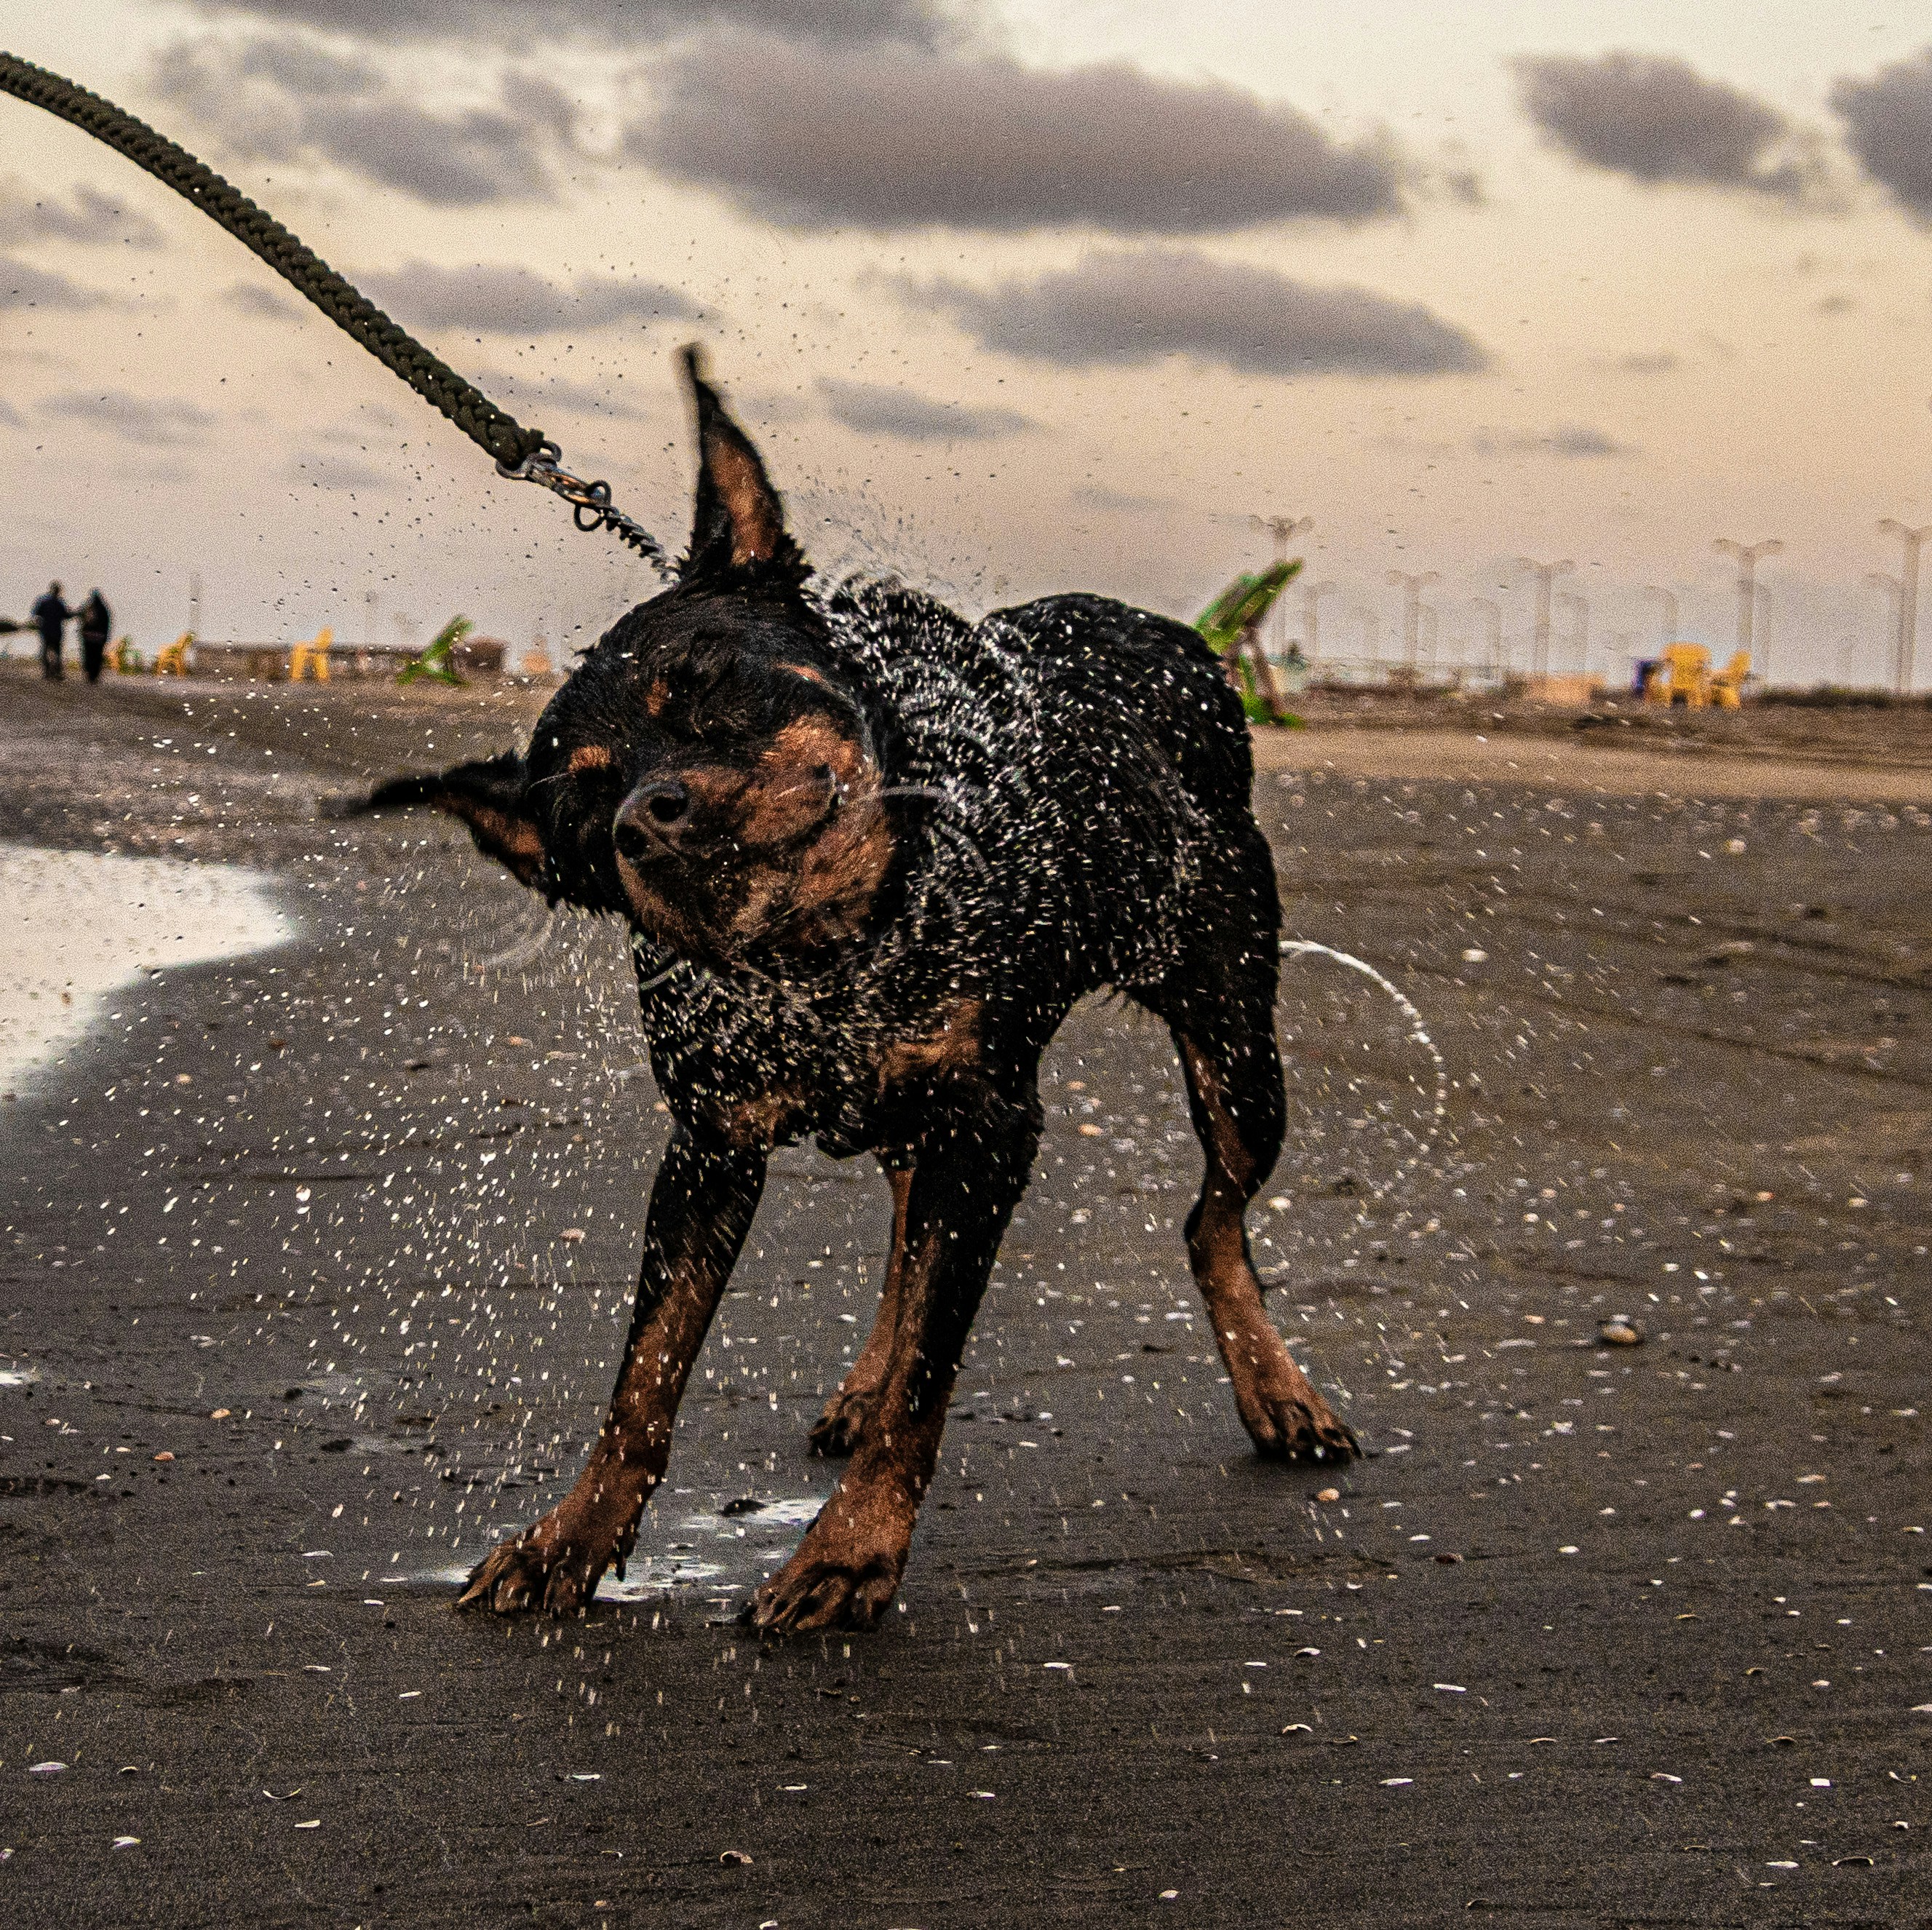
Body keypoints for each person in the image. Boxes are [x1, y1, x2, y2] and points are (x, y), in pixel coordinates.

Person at [31, 581, 71, 680]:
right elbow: (66, 616)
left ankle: (48, 672)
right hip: (57, 632)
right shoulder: (60, 604)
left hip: (46, 631)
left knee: (45, 652)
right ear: (58, 592)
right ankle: (56, 672)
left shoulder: (43, 602)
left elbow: (36, 614)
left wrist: (38, 623)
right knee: (57, 653)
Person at [77, 589, 113, 683]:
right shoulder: (104, 609)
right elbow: (107, 624)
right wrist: (106, 636)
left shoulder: (88, 607)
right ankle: (95, 675)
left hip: (88, 637)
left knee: (88, 655)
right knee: (97, 656)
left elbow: (82, 620)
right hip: (99, 638)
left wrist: (82, 633)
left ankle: (89, 674)